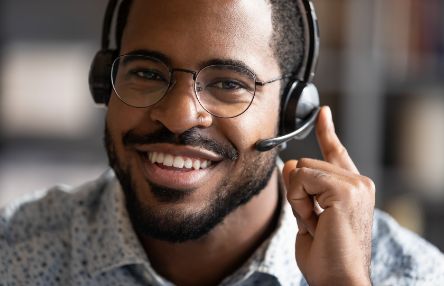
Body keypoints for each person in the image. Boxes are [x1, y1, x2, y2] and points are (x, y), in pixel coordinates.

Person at [1, 0, 443, 285]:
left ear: (293, 111)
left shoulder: (411, 275)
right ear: (105, 82)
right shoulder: (14, 253)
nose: (177, 115)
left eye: (229, 83)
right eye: (147, 73)